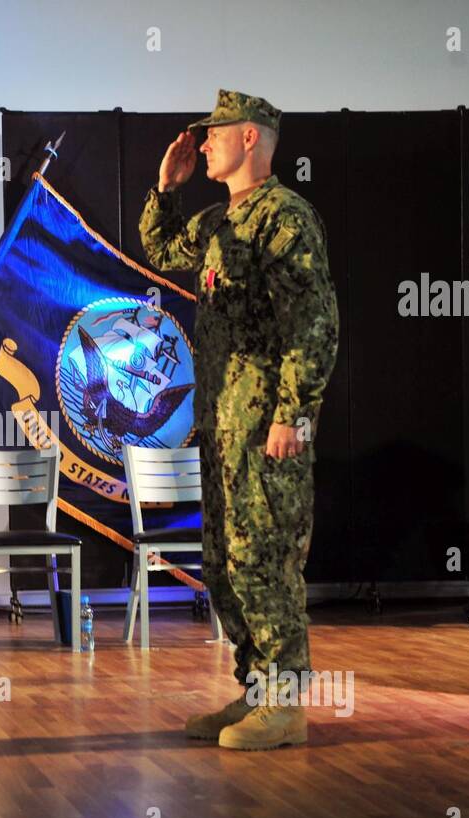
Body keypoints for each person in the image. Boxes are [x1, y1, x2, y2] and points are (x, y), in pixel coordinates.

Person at [140, 89, 339, 750]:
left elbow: (315, 324)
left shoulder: (285, 217)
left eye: (214, 134)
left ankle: (285, 704)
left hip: (265, 426)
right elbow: (162, 247)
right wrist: (167, 187)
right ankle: (255, 692)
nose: (203, 144)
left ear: (250, 137)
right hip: (223, 424)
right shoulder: (224, 220)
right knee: (225, 563)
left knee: (264, 560)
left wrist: (293, 413)